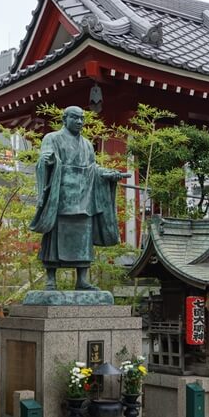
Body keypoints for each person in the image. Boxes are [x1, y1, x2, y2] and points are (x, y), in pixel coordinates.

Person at [29, 106, 130, 290]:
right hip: (61, 196)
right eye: (75, 118)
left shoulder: (87, 144)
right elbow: (44, 160)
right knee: (54, 238)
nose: (79, 122)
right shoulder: (52, 138)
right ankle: (51, 279)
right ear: (65, 119)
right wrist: (47, 161)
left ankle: (82, 279)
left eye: (82, 119)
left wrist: (108, 174)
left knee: (83, 238)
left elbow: (92, 168)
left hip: (84, 197)